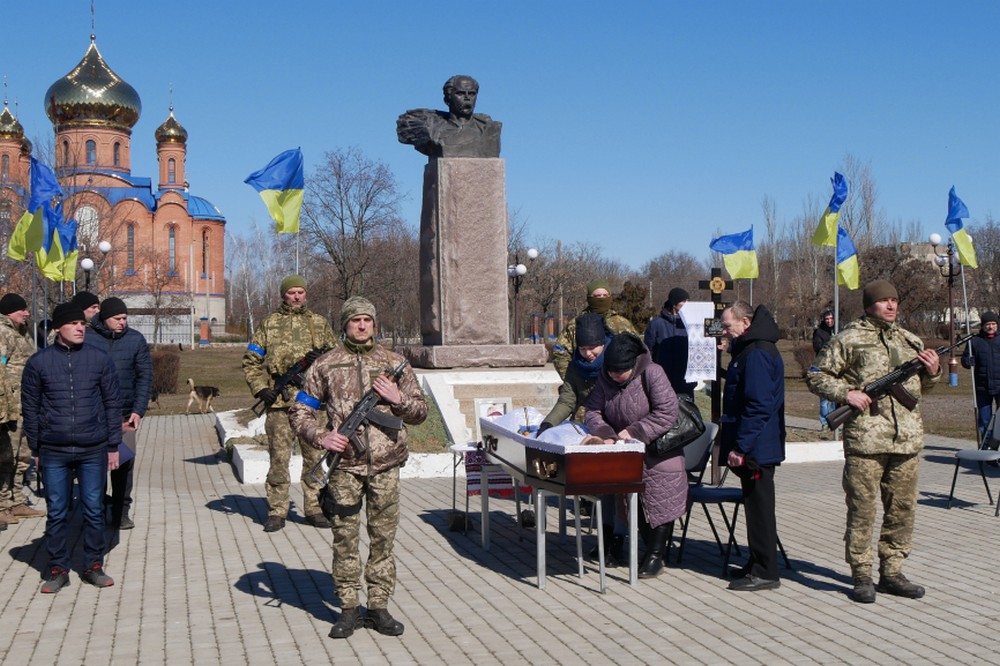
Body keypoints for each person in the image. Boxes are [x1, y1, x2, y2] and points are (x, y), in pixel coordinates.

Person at [289, 297, 428, 639]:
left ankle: (378, 607)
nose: (362, 325)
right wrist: (321, 437)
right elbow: (300, 411)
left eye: (367, 319)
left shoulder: (394, 363)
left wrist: (397, 399)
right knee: (345, 539)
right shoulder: (325, 365)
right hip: (344, 470)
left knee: (383, 539)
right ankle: (349, 608)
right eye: (355, 320)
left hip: (386, 466)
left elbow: (421, 412)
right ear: (345, 324)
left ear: (374, 324)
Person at [807, 280, 940, 604]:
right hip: (867, 441)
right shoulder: (848, 339)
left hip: (906, 440)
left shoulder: (910, 340)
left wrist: (933, 372)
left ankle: (892, 572)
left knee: (903, 510)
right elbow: (816, 374)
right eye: (884, 301)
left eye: (894, 300)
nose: (891, 305)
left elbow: (923, 389)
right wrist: (846, 393)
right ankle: (862, 574)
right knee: (862, 510)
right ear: (869, 305)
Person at [22, 302, 122, 593]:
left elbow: (112, 403)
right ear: (57, 328)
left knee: (93, 509)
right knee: (57, 511)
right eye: (73, 324)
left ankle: (92, 566)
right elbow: (31, 408)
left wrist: (113, 445)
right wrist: (35, 449)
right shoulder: (39, 363)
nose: (80, 328)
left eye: (82, 324)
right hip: (54, 450)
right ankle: (57, 569)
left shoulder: (99, 359)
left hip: (93, 449)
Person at [585, 332, 685, 579]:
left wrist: (635, 431)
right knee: (630, 499)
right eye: (611, 371)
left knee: (660, 496)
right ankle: (638, 547)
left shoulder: (653, 373)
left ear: (633, 365)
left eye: (620, 372)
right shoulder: (605, 378)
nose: (614, 376)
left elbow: (666, 411)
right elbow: (593, 411)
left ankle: (656, 555)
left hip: (658, 451)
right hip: (625, 451)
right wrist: (606, 433)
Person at [243, 275, 337, 532]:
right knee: (279, 459)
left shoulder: (318, 323)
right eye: (292, 292)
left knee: (314, 457)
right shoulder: (269, 324)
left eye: (300, 292)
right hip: (279, 406)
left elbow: (336, 360)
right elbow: (251, 360)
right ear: (283, 295)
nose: (296, 296)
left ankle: (314, 508)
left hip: (312, 404)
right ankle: (277, 510)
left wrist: (320, 361)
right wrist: (261, 388)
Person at [720, 302, 786, 592]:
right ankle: (757, 561)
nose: (724, 331)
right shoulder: (750, 349)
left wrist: (741, 447)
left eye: (727, 325)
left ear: (745, 323)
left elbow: (758, 405)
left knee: (760, 509)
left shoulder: (758, 353)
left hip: (757, 447)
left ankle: (766, 571)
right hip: (755, 445)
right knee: (753, 505)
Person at [85, 297, 152, 530]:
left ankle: (121, 513)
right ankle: (95, 512)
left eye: (125, 318)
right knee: (95, 467)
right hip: (93, 417)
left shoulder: (135, 339)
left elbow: (145, 377)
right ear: (104, 318)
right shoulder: (87, 338)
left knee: (124, 466)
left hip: (124, 417)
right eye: (117, 318)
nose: (122, 322)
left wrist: (138, 410)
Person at [538, 313, 610, 528]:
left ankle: (610, 524)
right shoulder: (575, 366)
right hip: (586, 423)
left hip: (612, 425)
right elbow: (567, 400)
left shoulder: (615, 361)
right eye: (583, 348)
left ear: (603, 342)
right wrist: (548, 424)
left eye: (593, 348)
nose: (588, 354)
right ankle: (591, 505)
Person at [0, 293, 44, 528]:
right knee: (7, 456)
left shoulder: (20, 332)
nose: (27, 313)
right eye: (22, 310)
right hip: (11, 407)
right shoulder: (3, 332)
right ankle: (3, 504)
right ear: (9, 312)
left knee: (23, 455)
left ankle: (17, 499)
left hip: (25, 403)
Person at [396, 75, 502, 158]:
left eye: (472, 94)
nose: (467, 98)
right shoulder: (431, 128)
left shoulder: (487, 128)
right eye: (460, 93)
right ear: (447, 99)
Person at [552, 279, 636, 380]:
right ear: (589, 298)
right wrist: (571, 379)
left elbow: (637, 351)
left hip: (615, 383)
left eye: (605, 295)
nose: (601, 299)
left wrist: (626, 378)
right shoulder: (576, 324)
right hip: (584, 382)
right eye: (597, 296)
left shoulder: (622, 324)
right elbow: (560, 352)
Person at [645, 287, 696, 398]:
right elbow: (648, 352)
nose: (687, 304)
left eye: (688, 301)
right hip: (662, 381)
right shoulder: (656, 324)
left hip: (685, 382)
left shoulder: (690, 324)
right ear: (674, 303)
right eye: (684, 301)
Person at [961, 311, 1000, 447]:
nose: (991, 327)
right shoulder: (974, 341)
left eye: (993, 324)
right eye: (988, 324)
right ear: (983, 326)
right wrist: (968, 361)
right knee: (985, 421)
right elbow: (965, 360)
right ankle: (985, 448)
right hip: (982, 387)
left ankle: (996, 446)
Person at [812, 309, 836, 429]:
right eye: (827, 319)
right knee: (824, 398)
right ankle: (825, 422)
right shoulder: (819, 332)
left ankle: (835, 420)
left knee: (835, 395)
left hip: (836, 367)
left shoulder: (839, 330)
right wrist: (828, 347)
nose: (829, 321)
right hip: (823, 366)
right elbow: (817, 347)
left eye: (831, 318)